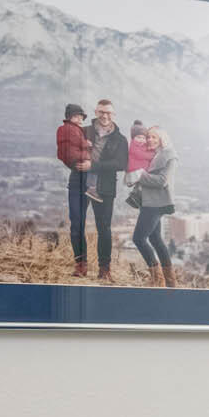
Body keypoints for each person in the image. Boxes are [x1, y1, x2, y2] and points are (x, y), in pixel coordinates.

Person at [86, 98, 129, 282]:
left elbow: (120, 164)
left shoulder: (120, 139)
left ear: (113, 114)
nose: (105, 116)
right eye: (101, 112)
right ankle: (79, 267)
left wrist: (93, 166)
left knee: (104, 229)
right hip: (81, 184)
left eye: (108, 112)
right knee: (77, 226)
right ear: (96, 112)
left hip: (105, 188)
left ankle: (104, 270)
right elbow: (70, 151)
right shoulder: (84, 131)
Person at [128, 127, 177, 287]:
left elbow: (162, 181)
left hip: (155, 203)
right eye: (148, 137)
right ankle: (170, 282)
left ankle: (158, 279)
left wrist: (140, 175)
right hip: (149, 202)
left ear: (162, 138)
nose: (150, 140)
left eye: (154, 137)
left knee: (139, 238)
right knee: (155, 239)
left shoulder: (169, 156)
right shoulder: (155, 156)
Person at [54, 103, 95, 276]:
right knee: (77, 224)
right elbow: (68, 155)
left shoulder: (78, 131)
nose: (80, 119)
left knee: (78, 224)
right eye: (77, 116)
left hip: (87, 180)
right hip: (80, 180)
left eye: (81, 117)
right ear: (69, 116)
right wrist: (88, 150)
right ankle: (81, 264)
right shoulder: (67, 129)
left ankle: (82, 264)